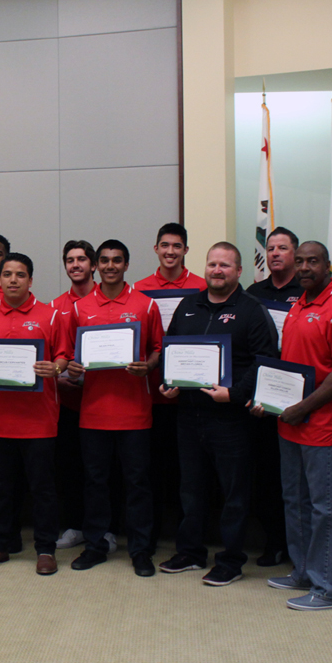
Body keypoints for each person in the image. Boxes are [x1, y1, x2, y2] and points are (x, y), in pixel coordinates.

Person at [158, 243, 278, 586]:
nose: (217, 270)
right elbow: (173, 348)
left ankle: (231, 559)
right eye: (212, 264)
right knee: (191, 489)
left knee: (234, 492)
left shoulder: (252, 310)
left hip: (230, 418)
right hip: (189, 414)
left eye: (225, 265)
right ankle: (191, 552)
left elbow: (264, 359)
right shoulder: (189, 305)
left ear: (239, 271)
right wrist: (170, 382)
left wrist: (235, 394)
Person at [256, 241, 332, 611]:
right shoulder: (299, 304)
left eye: (312, 261)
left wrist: (303, 407)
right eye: (299, 261)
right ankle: (304, 571)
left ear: (328, 266)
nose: (304, 267)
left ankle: (331, 588)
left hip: (323, 425)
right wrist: (269, 401)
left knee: (326, 508)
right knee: (296, 500)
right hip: (291, 423)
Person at [0, 252, 69, 575]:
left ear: (30, 280)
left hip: (39, 419)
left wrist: (54, 367)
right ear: (0, 280)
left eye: (20, 275)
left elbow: (64, 356)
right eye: (7, 274)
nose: (12, 280)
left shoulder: (50, 315)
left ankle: (45, 549)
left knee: (42, 488)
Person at [65, 240, 162, 577]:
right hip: (93, 413)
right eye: (103, 260)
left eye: (116, 260)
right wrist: (74, 368)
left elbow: (157, 349)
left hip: (134, 412)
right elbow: (69, 356)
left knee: (137, 484)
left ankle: (140, 550)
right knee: (95, 482)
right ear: (96, 265)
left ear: (126, 264)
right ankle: (95, 546)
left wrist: (147, 367)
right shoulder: (80, 307)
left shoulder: (145, 305)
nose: (109, 266)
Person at [134, 222, 206, 548]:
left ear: (186, 250)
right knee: (150, 470)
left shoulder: (202, 287)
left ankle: (185, 538)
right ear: (156, 249)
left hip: (190, 398)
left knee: (187, 474)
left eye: (177, 246)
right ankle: (147, 536)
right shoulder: (138, 290)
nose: (170, 251)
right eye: (165, 245)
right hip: (148, 395)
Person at [243, 226, 303, 567]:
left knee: (295, 476)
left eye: (283, 247)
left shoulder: (306, 290)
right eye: (270, 248)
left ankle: (299, 547)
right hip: (263, 396)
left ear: (295, 254)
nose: (275, 253)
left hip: (298, 394)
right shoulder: (254, 292)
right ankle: (274, 542)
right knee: (266, 475)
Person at [51, 240, 105, 551]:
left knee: (101, 471)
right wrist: (58, 380)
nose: (75, 265)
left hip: (102, 401)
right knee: (70, 467)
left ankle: (105, 528)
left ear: (93, 265)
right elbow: (51, 354)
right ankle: (74, 525)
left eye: (82, 259)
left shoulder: (106, 301)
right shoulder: (56, 306)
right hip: (69, 403)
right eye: (69, 260)